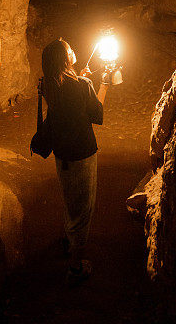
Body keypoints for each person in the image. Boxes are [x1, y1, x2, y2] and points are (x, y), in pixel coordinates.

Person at [40, 37, 111, 286]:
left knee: (70, 197)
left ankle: (67, 241)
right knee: (83, 208)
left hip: (62, 153)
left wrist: (80, 78)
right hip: (82, 153)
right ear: (65, 59)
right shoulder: (82, 85)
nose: (73, 50)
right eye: (70, 49)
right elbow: (97, 114)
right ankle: (76, 266)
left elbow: (68, 101)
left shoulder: (49, 84)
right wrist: (102, 83)